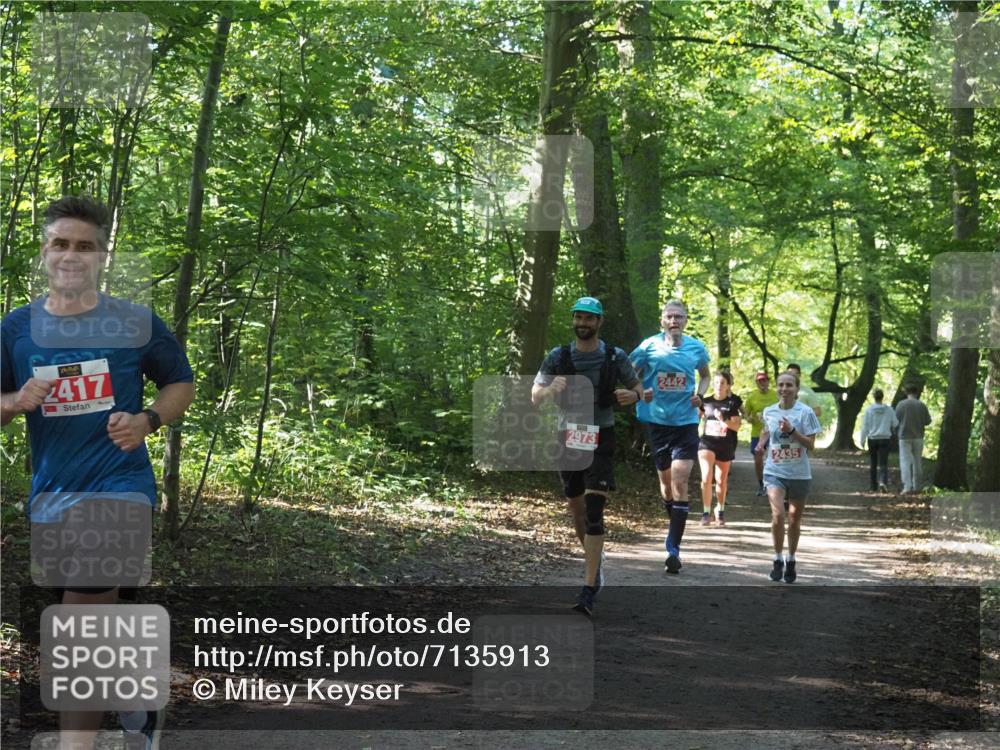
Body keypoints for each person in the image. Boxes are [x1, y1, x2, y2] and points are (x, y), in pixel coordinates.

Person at [1, 196, 195, 749]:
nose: (71, 254)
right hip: (52, 495)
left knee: (79, 618)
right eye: (60, 243)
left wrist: (148, 420)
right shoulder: (16, 329)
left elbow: (180, 382)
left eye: (84, 246)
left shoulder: (133, 322)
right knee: (92, 608)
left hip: (120, 488)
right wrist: (17, 399)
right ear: (44, 252)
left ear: (102, 256)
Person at [532, 296, 642, 617]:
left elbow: (640, 388)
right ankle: (596, 561)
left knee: (595, 511)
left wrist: (632, 395)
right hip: (568, 437)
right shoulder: (558, 356)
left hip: (601, 437)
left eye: (589, 319)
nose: (583, 323)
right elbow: (535, 395)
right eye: (578, 317)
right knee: (578, 511)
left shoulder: (613, 356)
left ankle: (588, 588)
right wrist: (550, 390)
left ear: (599, 322)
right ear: (574, 320)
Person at [629, 300, 711, 575]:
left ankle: (673, 548)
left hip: (686, 423)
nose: (674, 320)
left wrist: (700, 395)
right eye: (669, 316)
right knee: (666, 486)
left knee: (680, 480)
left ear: (686, 321)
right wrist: (641, 390)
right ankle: (675, 521)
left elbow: (706, 375)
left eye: (679, 316)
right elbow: (629, 373)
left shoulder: (696, 348)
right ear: (662, 321)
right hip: (657, 422)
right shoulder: (648, 346)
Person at [755, 370, 821, 584]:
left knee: (794, 520)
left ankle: (791, 559)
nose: (784, 389)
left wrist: (792, 431)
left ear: (796, 389)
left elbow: (811, 445)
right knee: (778, 515)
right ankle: (776, 559)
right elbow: (768, 430)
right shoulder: (769, 411)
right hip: (775, 471)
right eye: (781, 385)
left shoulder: (806, 412)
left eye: (789, 385)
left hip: (800, 473)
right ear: (777, 388)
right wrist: (762, 442)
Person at [697, 371, 742, 526]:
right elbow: (695, 417)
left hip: (725, 444)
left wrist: (724, 419)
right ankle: (705, 512)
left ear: (728, 386)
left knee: (721, 480)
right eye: (716, 382)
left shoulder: (732, 403)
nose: (719, 386)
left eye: (722, 383)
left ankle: (720, 510)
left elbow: (736, 426)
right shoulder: (706, 402)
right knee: (706, 477)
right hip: (707, 444)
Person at [743, 370, 778, 496]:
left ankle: (775, 485)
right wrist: (749, 418)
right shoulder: (752, 397)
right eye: (760, 381)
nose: (763, 383)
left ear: (768, 381)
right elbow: (745, 414)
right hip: (757, 433)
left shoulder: (776, 395)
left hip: (774, 432)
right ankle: (761, 485)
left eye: (765, 380)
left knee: (774, 458)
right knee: (758, 460)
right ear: (756, 383)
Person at [859, 388, 899, 493]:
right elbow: (895, 423)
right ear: (882, 397)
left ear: (874, 397)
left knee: (873, 463)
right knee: (883, 463)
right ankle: (883, 482)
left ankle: (873, 486)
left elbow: (865, 426)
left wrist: (862, 439)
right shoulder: (889, 410)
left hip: (872, 439)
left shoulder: (869, 410)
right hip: (885, 438)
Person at [895, 385, 932, 494]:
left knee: (905, 461)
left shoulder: (901, 405)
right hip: (918, 436)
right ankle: (917, 486)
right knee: (917, 461)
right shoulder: (921, 405)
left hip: (904, 436)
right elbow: (928, 421)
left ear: (906, 392)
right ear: (916, 393)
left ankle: (907, 487)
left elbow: (895, 420)